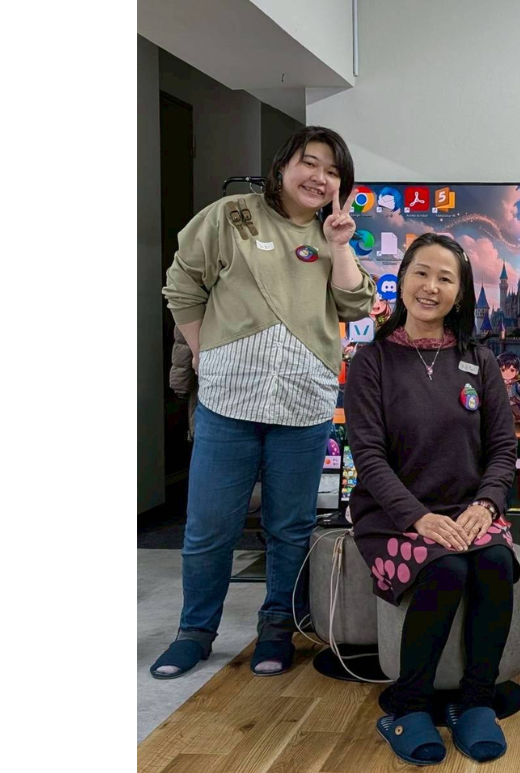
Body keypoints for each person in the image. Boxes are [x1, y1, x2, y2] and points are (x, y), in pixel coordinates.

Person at [153, 126, 376, 681]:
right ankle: (194, 632)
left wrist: (340, 244)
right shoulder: (232, 215)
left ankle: (277, 627)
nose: (319, 177)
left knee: (290, 526)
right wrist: (203, 352)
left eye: (332, 171)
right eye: (309, 163)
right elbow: (182, 284)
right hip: (229, 401)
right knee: (209, 527)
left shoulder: (335, 234)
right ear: (282, 166)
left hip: (303, 404)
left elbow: (355, 304)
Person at [344, 232, 519, 767]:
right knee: (445, 569)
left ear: (460, 293)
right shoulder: (372, 361)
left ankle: (476, 701)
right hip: (391, 514)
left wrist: (485, 505)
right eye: (422, 272)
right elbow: (368, 456)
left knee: (494, 563)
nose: (431, 286)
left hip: (468, 508)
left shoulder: (479, 360)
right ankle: (408, 706)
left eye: (446, 278)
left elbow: (503, 449)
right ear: (402, 280)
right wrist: (416, 517)